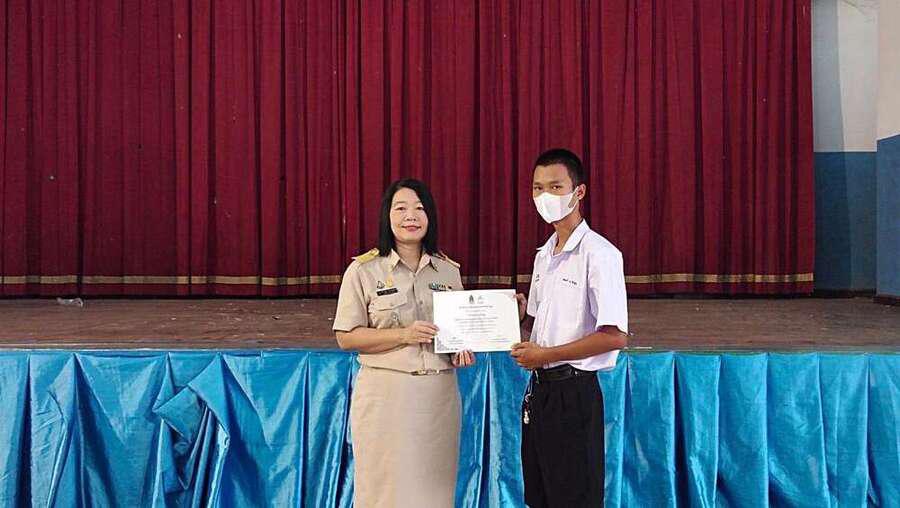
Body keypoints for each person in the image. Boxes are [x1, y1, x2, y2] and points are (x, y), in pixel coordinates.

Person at [333, 178, 475, 508]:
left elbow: (458, 333)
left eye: (419, 208)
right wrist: (403, 335)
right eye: (401, 208)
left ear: (430, 217)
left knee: (434, 494)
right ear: (387, 216)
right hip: (386, 395)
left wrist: (461, 351)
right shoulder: (363, 271)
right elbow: (346, 337)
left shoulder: (448, 271)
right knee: (384, 492)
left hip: (438, 399)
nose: (411, 216)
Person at [511, 148, 629, 507]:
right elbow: (536, 326)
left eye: (555, 187)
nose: (545, 196)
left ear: (579, 192)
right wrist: (519, 318)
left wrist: (546, 354)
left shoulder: (600, 254)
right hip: (540, 392)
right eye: (537, 188)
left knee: (574, 496)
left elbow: (614, 336)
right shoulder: (543, 255)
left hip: (575, 393)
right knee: (540, 494)